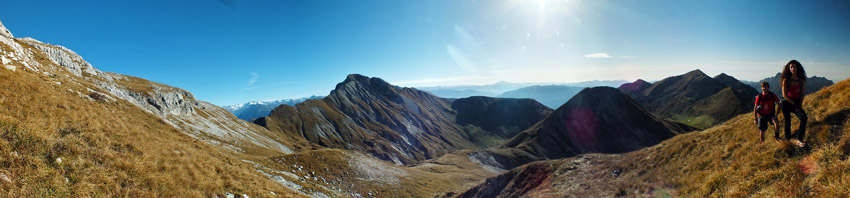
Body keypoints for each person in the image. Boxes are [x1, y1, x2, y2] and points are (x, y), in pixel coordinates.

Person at [780, 60, 808, 147]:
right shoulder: (786, 79)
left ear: (797, 67)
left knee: (804, 118)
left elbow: (802, 93)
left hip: (796, 103)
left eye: (794, 67)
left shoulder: (801, 79)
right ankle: (787, 139)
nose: (793, 68)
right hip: (787, 103)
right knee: (788, 122)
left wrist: (799, 103)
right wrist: (793, 103)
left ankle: (799, 138)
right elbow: (784, 94)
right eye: (791, 67)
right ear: (789, 69)